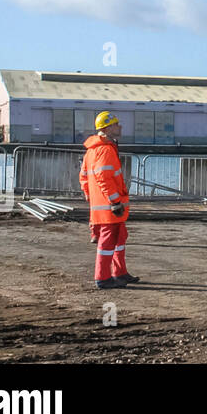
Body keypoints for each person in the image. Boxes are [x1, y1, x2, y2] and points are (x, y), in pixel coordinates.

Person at [79, 111, 139, 289]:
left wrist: (92, 198)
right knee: (108, 242)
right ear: (106, 128)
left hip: (102, 205)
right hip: (109, 207)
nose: (119, 127)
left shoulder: (93, 151)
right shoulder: (105, 150)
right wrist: (114, 202)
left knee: (120, 237)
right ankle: (103, 277)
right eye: (115, 124)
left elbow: (84, 177)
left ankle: (120, 272)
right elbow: (103, 177)